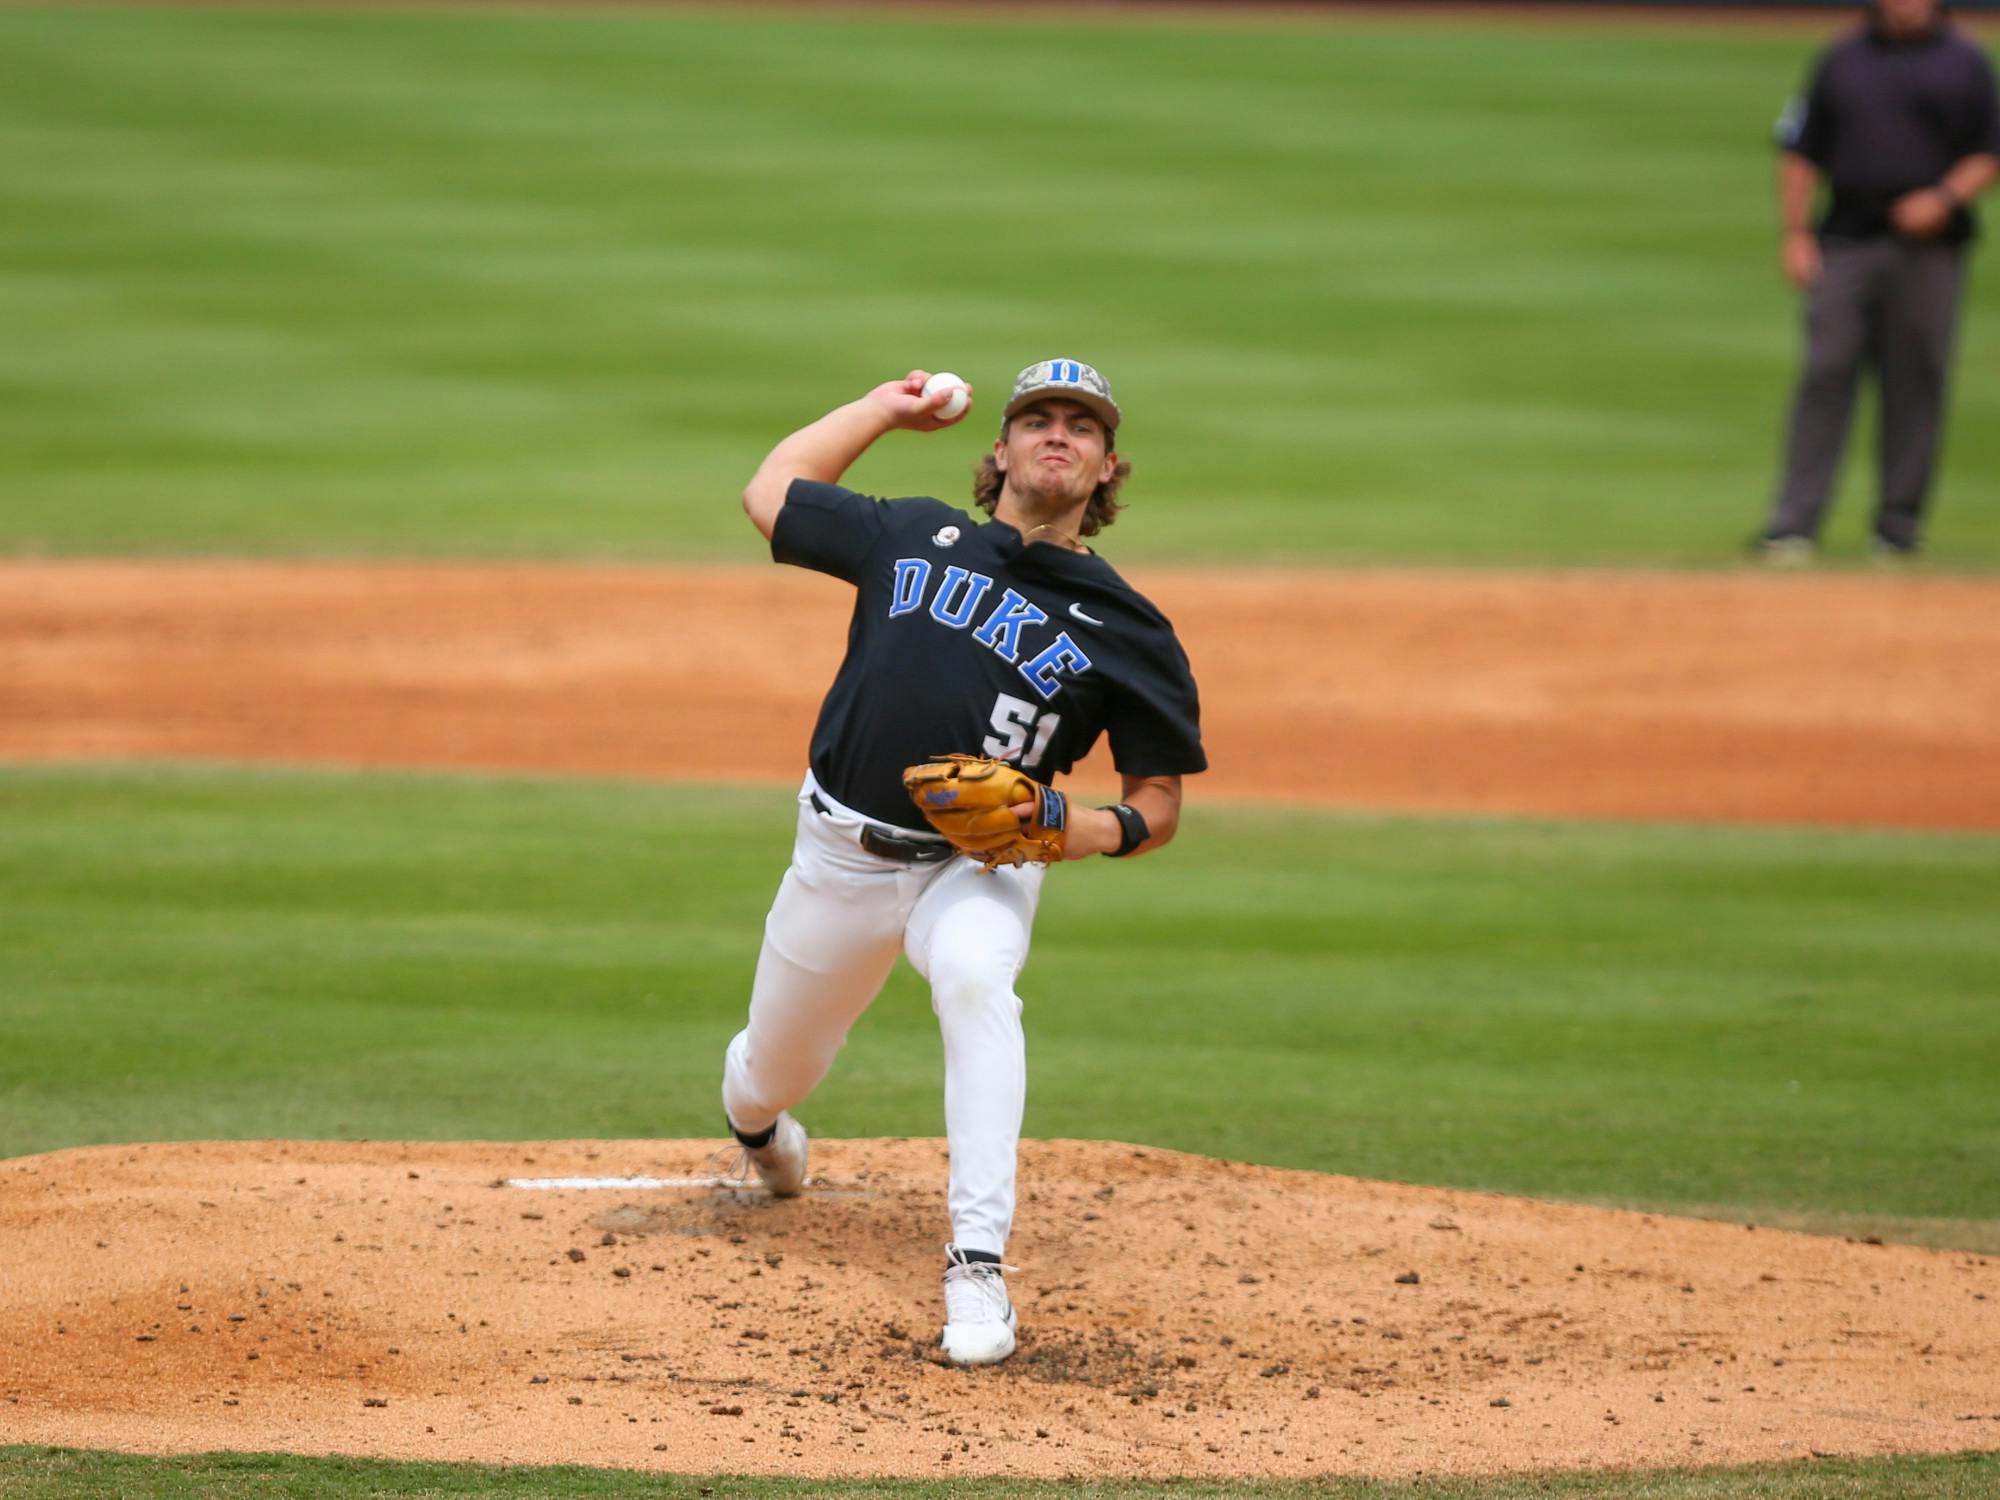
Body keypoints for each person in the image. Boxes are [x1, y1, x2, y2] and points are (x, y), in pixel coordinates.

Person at [716, 360, 1205, 1366]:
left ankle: (975, 1267)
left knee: (978, 980)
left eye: (1080, 425)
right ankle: (760, 1134)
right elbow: (768, 494)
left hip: (978, 867)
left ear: (1108, 466)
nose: (1056, 435)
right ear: (1001, 449)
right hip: (837, 858)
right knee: (770, 1071)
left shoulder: (1129, 629)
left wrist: (1082, 825)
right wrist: (880, 411)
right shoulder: (909, 534)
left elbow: (1158, 801)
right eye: (1036, 419)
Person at [1757, 0, 2000, 565]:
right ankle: (1793, 524)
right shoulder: (1841, 58)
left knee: (1917, 378)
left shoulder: (1965, 62)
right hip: (1846, 235)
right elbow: (1799, 148)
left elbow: (1990, 148)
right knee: (1824, 371)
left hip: (1931, 246)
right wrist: (1795, 232)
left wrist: (1944, 198)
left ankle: (1898, 527)